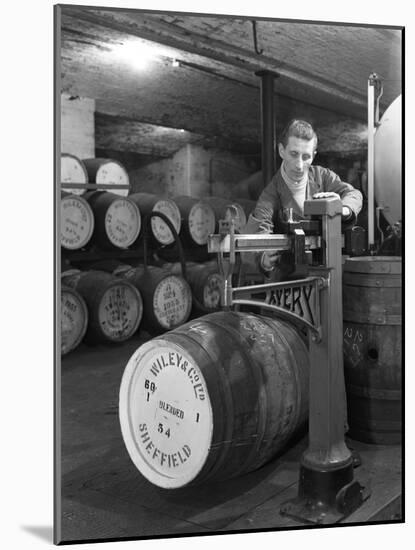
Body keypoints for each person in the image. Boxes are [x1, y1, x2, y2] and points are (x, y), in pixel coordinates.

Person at [246, 119, 363, 273]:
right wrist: (264, 258)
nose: (299, 165)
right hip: (290, 281)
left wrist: (343, 208)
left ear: (314, 156)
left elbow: (353, 194)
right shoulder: (270, 194)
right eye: (294, 154)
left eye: (306, 156)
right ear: (281, 151)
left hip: (329, 270)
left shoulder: (323, 176)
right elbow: (258, 232)